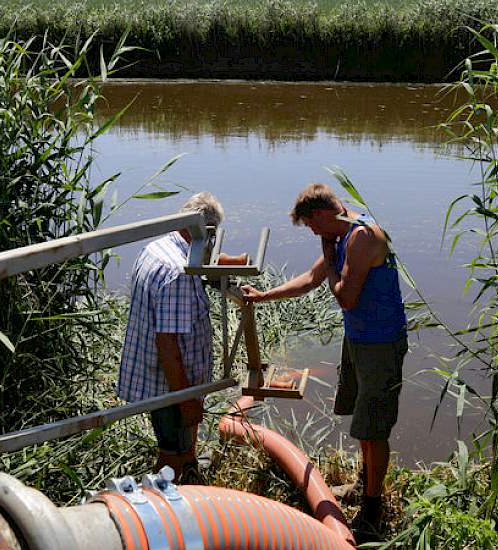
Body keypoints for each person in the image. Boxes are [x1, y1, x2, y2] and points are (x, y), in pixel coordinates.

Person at [241, 182, 408, 542]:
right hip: (361, 340)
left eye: (312, 226)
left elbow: (345, 297)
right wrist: (264, 295)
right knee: (363, 418)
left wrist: (330, 260)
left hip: (381, 343)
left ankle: (373, 508)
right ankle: (366, 485)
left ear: (321, 214)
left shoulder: (361, 236)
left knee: (373, 425)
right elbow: (311, 279)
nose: (314, 233)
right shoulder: (343, 236)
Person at [118, 192, 242, 479]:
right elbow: (168, 345)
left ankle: (189, 472)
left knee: (180, 445)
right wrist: (187, 400)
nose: (212, 242)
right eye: (212, 236)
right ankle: (168, 504)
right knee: (171, 451)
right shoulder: (179, 273)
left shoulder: (158, 247)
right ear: (204, 231)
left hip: (155, 378)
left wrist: (227, 266)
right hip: (170, 385)